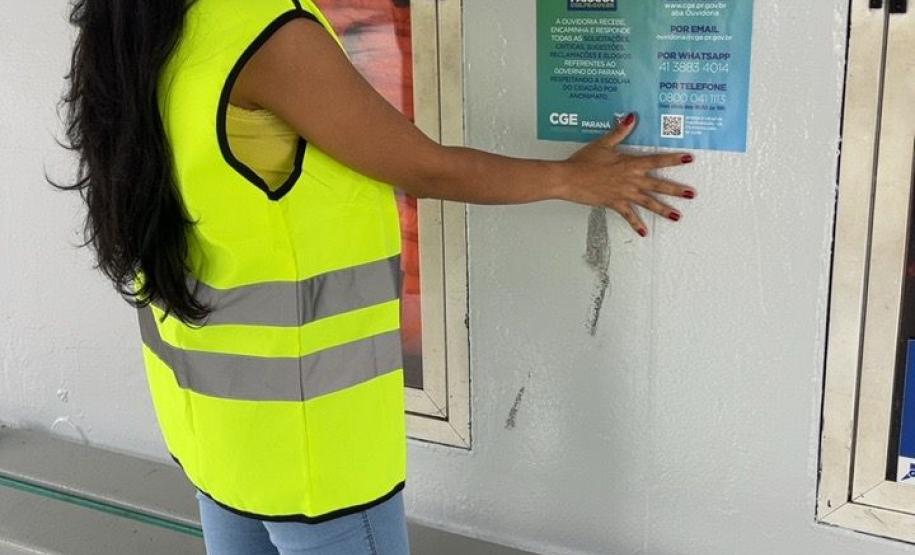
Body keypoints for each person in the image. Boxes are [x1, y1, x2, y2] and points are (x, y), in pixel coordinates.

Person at [53, 0, 696, 553]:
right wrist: (570, 179)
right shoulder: (263, 31)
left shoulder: (140, 25)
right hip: (313, 453)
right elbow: (424, 168)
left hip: (219, 437)